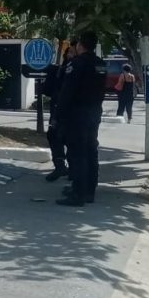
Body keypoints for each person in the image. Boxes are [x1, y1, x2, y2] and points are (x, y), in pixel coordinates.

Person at [55, 31, 107, 207]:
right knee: (91, 150)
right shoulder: (101, 64)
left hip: (77, 113)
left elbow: (67, 92)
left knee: (77, 154)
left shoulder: (76, 64)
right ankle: (89, 191)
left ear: (80, 45)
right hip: (94, 112)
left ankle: (78, 193)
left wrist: (58, 115)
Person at [43, 42, 77, 182]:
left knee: (72, 140)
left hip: (74, 111)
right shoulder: (60, 69)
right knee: (53, 135)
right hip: (57, 109)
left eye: (74, 53)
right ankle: (60, 166)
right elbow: (49, 90)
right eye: (69, 53)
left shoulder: (79, 69)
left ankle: (73, 170)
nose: (71, 55)